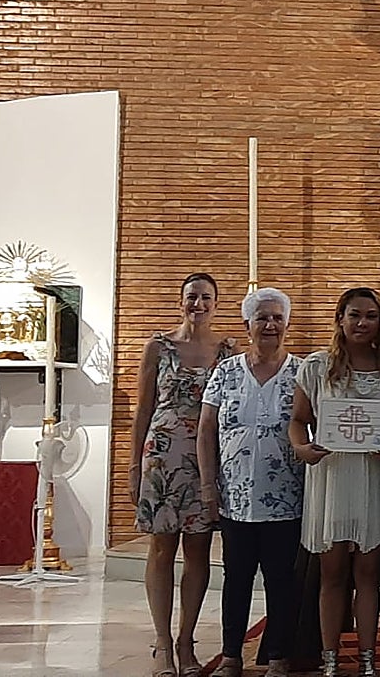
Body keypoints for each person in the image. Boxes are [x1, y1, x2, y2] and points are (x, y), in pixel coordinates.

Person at [288, 287, 380, 677]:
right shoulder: (318, 367)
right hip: (332, 479)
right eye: (354, 315)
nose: (362, 323)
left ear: (379, 323)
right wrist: (302, 448)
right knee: (332, 575)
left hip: (372, 480)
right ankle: (331, 660)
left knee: (368, 575)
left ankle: (368, 661)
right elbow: (298, 420)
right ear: (340, 318)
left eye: (370, 316)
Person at [130, 272, 236, 677]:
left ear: (216, 303)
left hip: (205, 459)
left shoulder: (226, 352)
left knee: (197, 550)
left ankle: (186, 640)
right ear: (181, 301)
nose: (199, 304)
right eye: (192, 296)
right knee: (161, 548)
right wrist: (133, 466)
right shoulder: (158, 347)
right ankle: (161, 641)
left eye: (206, 297)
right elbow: (142, 409)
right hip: (161, 455)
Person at [197, 287, 304, 677]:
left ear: (287, 324)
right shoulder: (225, 372)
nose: (270, 324)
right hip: (235, 496)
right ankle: (230, 655)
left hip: (286, 499)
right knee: (236, 578)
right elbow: (206, 430)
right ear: (247, 325)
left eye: (277, 317)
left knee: (281, 580)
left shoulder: (301, 372)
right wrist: (209, 485)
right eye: (262, 318)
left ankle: (278, 654)